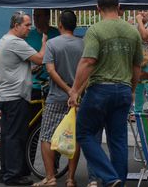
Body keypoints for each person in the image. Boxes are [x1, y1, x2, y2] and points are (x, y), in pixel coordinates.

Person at [69, 0, 143, 187]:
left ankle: (110, 178)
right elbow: (137, 66)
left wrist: (75, 90)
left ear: (97, 8)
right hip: (124, 90)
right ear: (119, 7)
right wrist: (132, 89)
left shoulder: (95, 30)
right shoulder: (133, 31)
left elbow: (88, 61)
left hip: (100, 91)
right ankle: (118, 180)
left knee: (83, 132)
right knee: (117, 140)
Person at [0, 11, 47, 186]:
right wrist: (45, 42)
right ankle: (13, 175)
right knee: (16, 137)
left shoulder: (5, 40)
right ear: (16, 26)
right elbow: (40, 59)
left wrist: (30, 71)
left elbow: (19, 67)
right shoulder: (16, 42)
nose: (29, 28)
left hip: (8, 95)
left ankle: (6, 172)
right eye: (26, 25)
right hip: (16, 96)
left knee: (8, 136)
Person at [36, 10, 84, 187]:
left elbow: (50, 70)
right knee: (75, 137)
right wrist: (76, 91)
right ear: (76, 25)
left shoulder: (52, 44)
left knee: (46, 136)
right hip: (78, 99)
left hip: (56, 97)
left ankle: (51, 177)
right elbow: (88, 70)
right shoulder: (83, 44)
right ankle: (71, 178)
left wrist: (67, 89)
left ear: (60, 25)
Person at [27, 9, 60, 101]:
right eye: (34, 16)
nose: (35, 19)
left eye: (39, 16)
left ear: (47, 17)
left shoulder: (57, 34)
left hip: (54, 86)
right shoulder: (28, 35)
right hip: (33, 86)